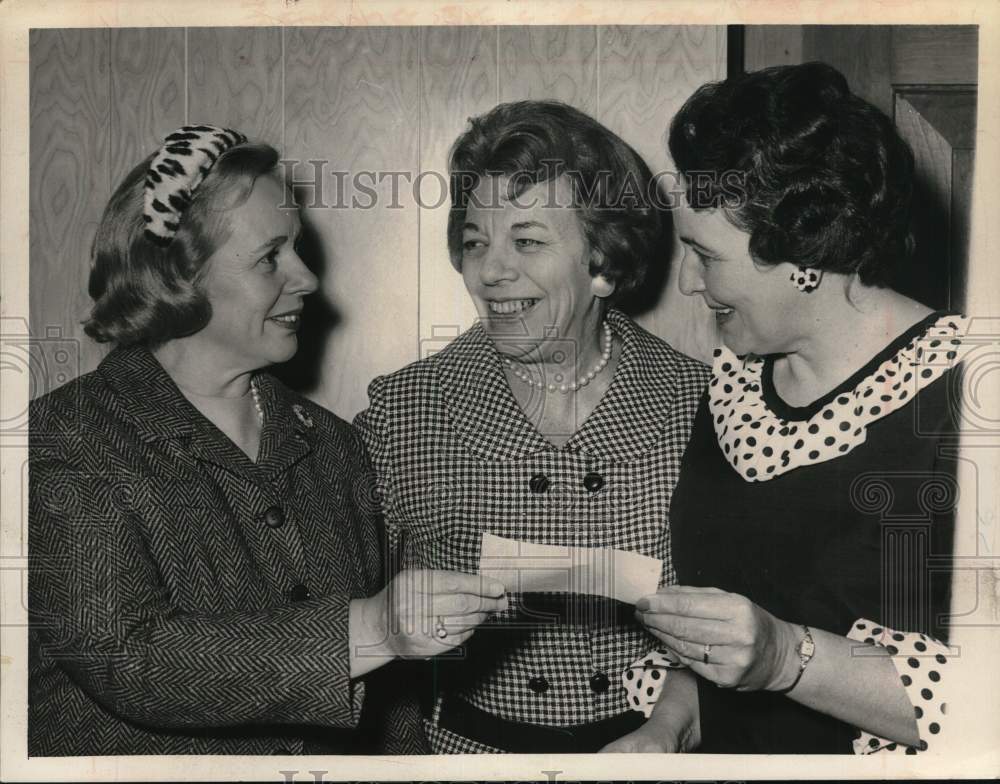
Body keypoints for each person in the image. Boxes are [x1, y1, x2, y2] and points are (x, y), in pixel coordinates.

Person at [28, 125, 507, 756]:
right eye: (269, 257)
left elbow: (389, 702)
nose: (307, 278)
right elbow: (128, 658)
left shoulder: (333, 445)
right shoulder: (65, 439)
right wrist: (370, 628)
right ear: (178, 275)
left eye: (297, 249)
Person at [626, 62, 965, 754]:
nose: (686, 282)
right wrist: (665, 730)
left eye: (704, 256)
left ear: (802, 255)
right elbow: (724, 640)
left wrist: (786, 658)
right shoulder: (736, 381)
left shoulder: (968, 392)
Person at [354, 101, 710, 753]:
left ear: (603, 262)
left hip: (650, 755)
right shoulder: (406, 409)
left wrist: (670, 727)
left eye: (526, 241)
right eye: (475, 242)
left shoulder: (696, 403)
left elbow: (741, 618)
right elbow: (350, 630)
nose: (490, 272)